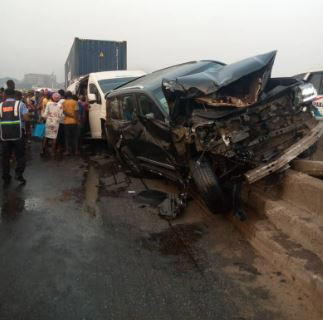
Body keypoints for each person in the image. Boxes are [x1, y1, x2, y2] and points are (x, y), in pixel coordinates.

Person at [0, 88, 30, 184]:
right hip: (18, 134)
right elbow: (26, 118)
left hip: (5, 134)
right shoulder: (20, 104)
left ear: (5, 95)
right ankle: (18, 174)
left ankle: (6, 176)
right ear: (13, 95)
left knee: (6, 156)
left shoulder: (0, 105)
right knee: (20, 155)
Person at [63, 91, 79, 155]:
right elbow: (77, 112)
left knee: (67, 137)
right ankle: (76, 151)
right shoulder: (75, 102)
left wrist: (70, 115)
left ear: (66, 96)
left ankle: (67, 151)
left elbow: (64, 112)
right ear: (71, 95)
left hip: (66, 122)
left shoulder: (64, 102)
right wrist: (76, 119)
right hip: (74, 122)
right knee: (75, 137)